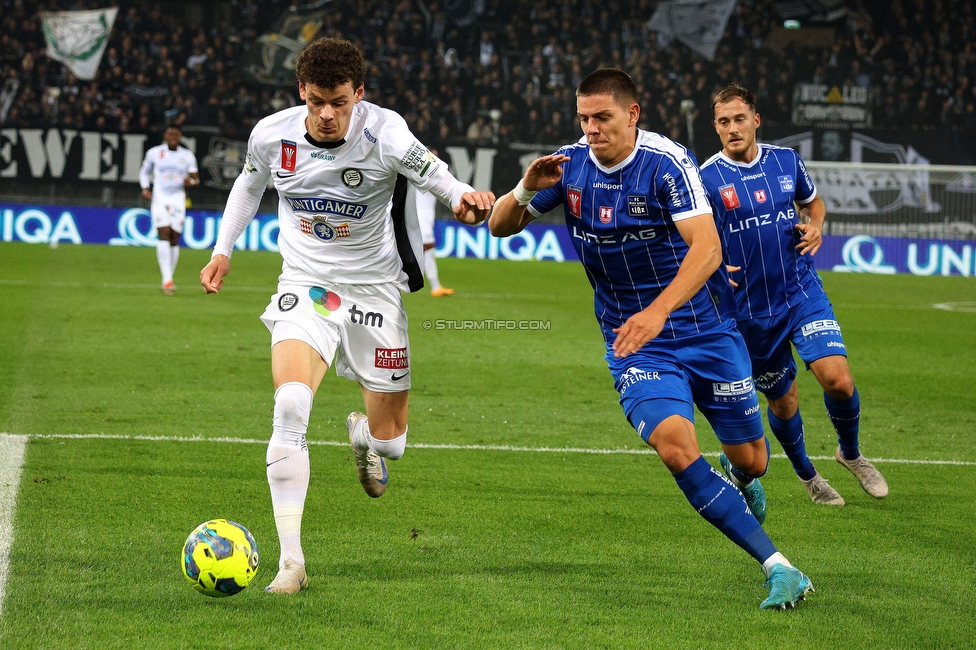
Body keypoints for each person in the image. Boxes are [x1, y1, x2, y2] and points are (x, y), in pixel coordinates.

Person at [489, 68, 813, 610]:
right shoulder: (568, 167)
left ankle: (742, 478)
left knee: (753, 461)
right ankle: (780, 567)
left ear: (632, 114)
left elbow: (706, 247)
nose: (591, 130)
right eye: (584, 119)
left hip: (704, 329)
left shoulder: (667, 163)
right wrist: (524, 189)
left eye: (603, 118)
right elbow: (500, 226)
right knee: (674, 446)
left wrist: (659, 311)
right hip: (635, 342)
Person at [199, 37, 494, 595]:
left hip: (375, 294)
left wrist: (462, 197)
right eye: (316, 102)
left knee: (392, 444)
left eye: (338, 101)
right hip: (308, 288)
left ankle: (367, 440)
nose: (327, 114)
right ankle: (292, 563)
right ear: (301, 94)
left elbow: (433, 173)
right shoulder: (271, 134)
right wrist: (223, 250)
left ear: (358, 94)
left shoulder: (385, 132)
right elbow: (248, 183)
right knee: (289, 404)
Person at [700, 84, 888, 507]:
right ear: (715, 127)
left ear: (756, 120)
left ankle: (851, 453)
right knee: (783, 401)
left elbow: (814, 202)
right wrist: (711, 268)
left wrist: (816, 224)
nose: (732, 128)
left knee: (838, 379)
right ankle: (807, 474)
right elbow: (692, 238)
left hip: (800, 290)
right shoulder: (705, 178)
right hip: (749, 312)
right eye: (724, 122)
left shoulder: (786, 161)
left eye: (739, 119)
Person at [139, 124, 200, 295]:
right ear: (165, 135)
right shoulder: (154, 153)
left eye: (176, 134)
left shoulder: (187, 156)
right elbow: (144, 172)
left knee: (174, 237)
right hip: (160, 198)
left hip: (178, 199)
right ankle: (167, 280)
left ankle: (168, 277)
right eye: (170, 133)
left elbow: (196, 179)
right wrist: (145, 188)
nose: (173, 136)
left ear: (180, 136)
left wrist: (191, 182)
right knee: (164, 233)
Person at [405, 148, 453, 296]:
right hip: (421, 220)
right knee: (427, 250)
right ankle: (434, 286)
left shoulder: (432, 175)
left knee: (425, 251)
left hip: (425, 219)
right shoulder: (421, 176)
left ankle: (432, 285)